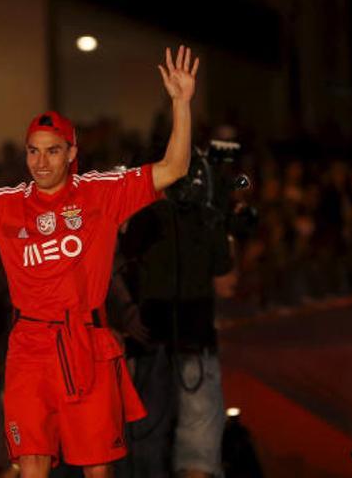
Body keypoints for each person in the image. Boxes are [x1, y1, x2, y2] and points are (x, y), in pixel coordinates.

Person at [0, 45, 200, 477]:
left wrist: (181, 103)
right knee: (32, 463)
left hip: (86, 342)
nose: (40, 161)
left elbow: (174, 168)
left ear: (71, 152)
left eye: (51, 151)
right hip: (29, 348)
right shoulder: (6, 204)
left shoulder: (102, 192)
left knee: (97, 469)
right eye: (33, 151)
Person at [114, 149, 237, 478]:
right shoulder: (209, 219)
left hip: (149, 340)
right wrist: (228, 237)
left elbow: (112, 265)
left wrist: (126, 309)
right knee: (197, 450)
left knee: (146, 443)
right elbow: (226, 285)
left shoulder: (142, 216)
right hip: (194, 344)